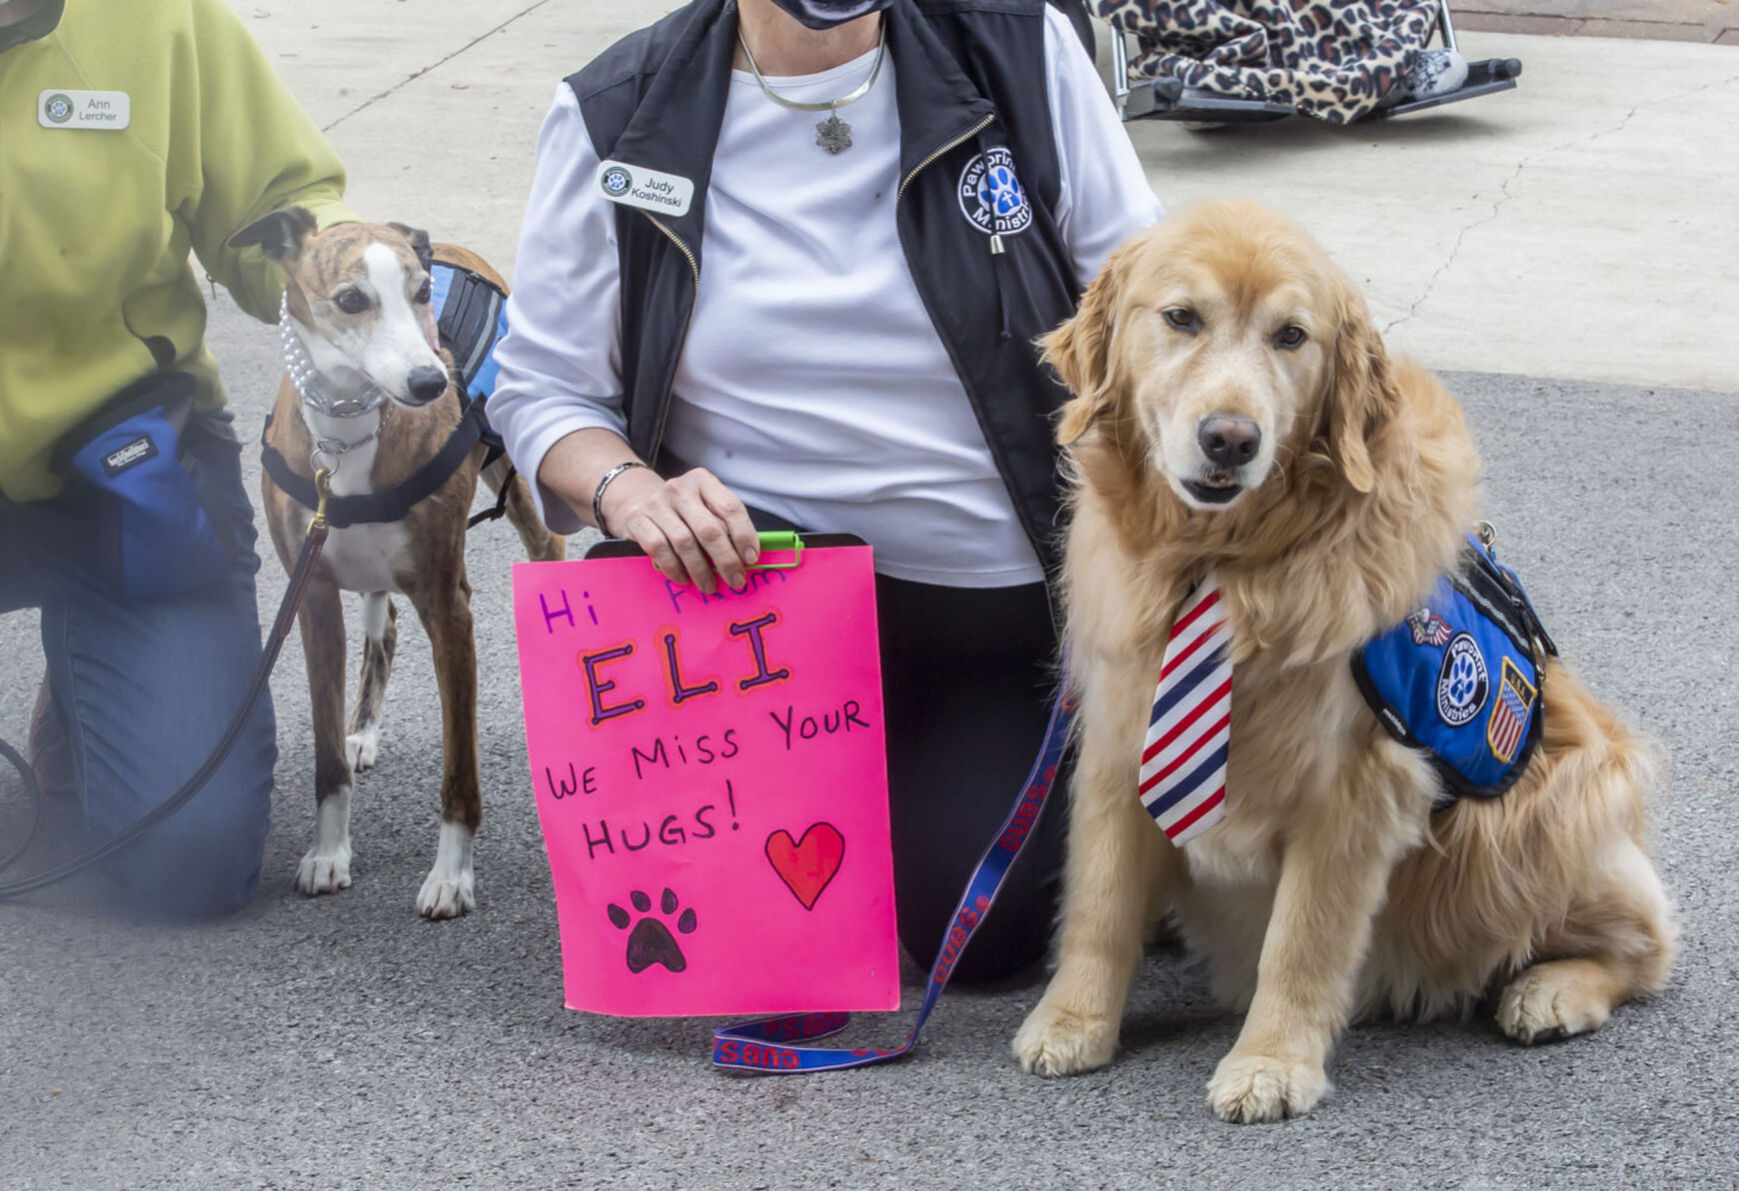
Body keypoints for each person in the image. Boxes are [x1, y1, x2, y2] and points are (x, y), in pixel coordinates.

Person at [490, 0, 1163, 982]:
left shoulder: (1018, 44)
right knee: (747, 940)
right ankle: (806, 812)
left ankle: (908, 800)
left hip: (1001, 615)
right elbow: (541, 388)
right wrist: (629, 491)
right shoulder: (614, 111)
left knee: (988, 944)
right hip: (758, 615)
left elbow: (1147, 302)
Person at [0, 0, 357, 916]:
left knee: (186, 864)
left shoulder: (158, 17)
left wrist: (363, 297)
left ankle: (94, 684)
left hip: (118, 463)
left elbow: (285, 208)